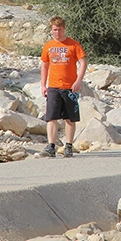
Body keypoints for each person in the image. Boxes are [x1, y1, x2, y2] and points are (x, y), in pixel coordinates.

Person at [40, 16, 87, 157]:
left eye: (59, 29)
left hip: (69, 87)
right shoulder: (48, 46)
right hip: (53, 86)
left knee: (70, 118)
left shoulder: (73, 45)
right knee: (51, 117)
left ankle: (69, 146)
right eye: (54, 30)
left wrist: (78, 81)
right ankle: (51, 146)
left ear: (64, 29)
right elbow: (44, 65)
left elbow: (83, 62)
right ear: (51, 30)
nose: (57, 32)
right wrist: (43, 85)